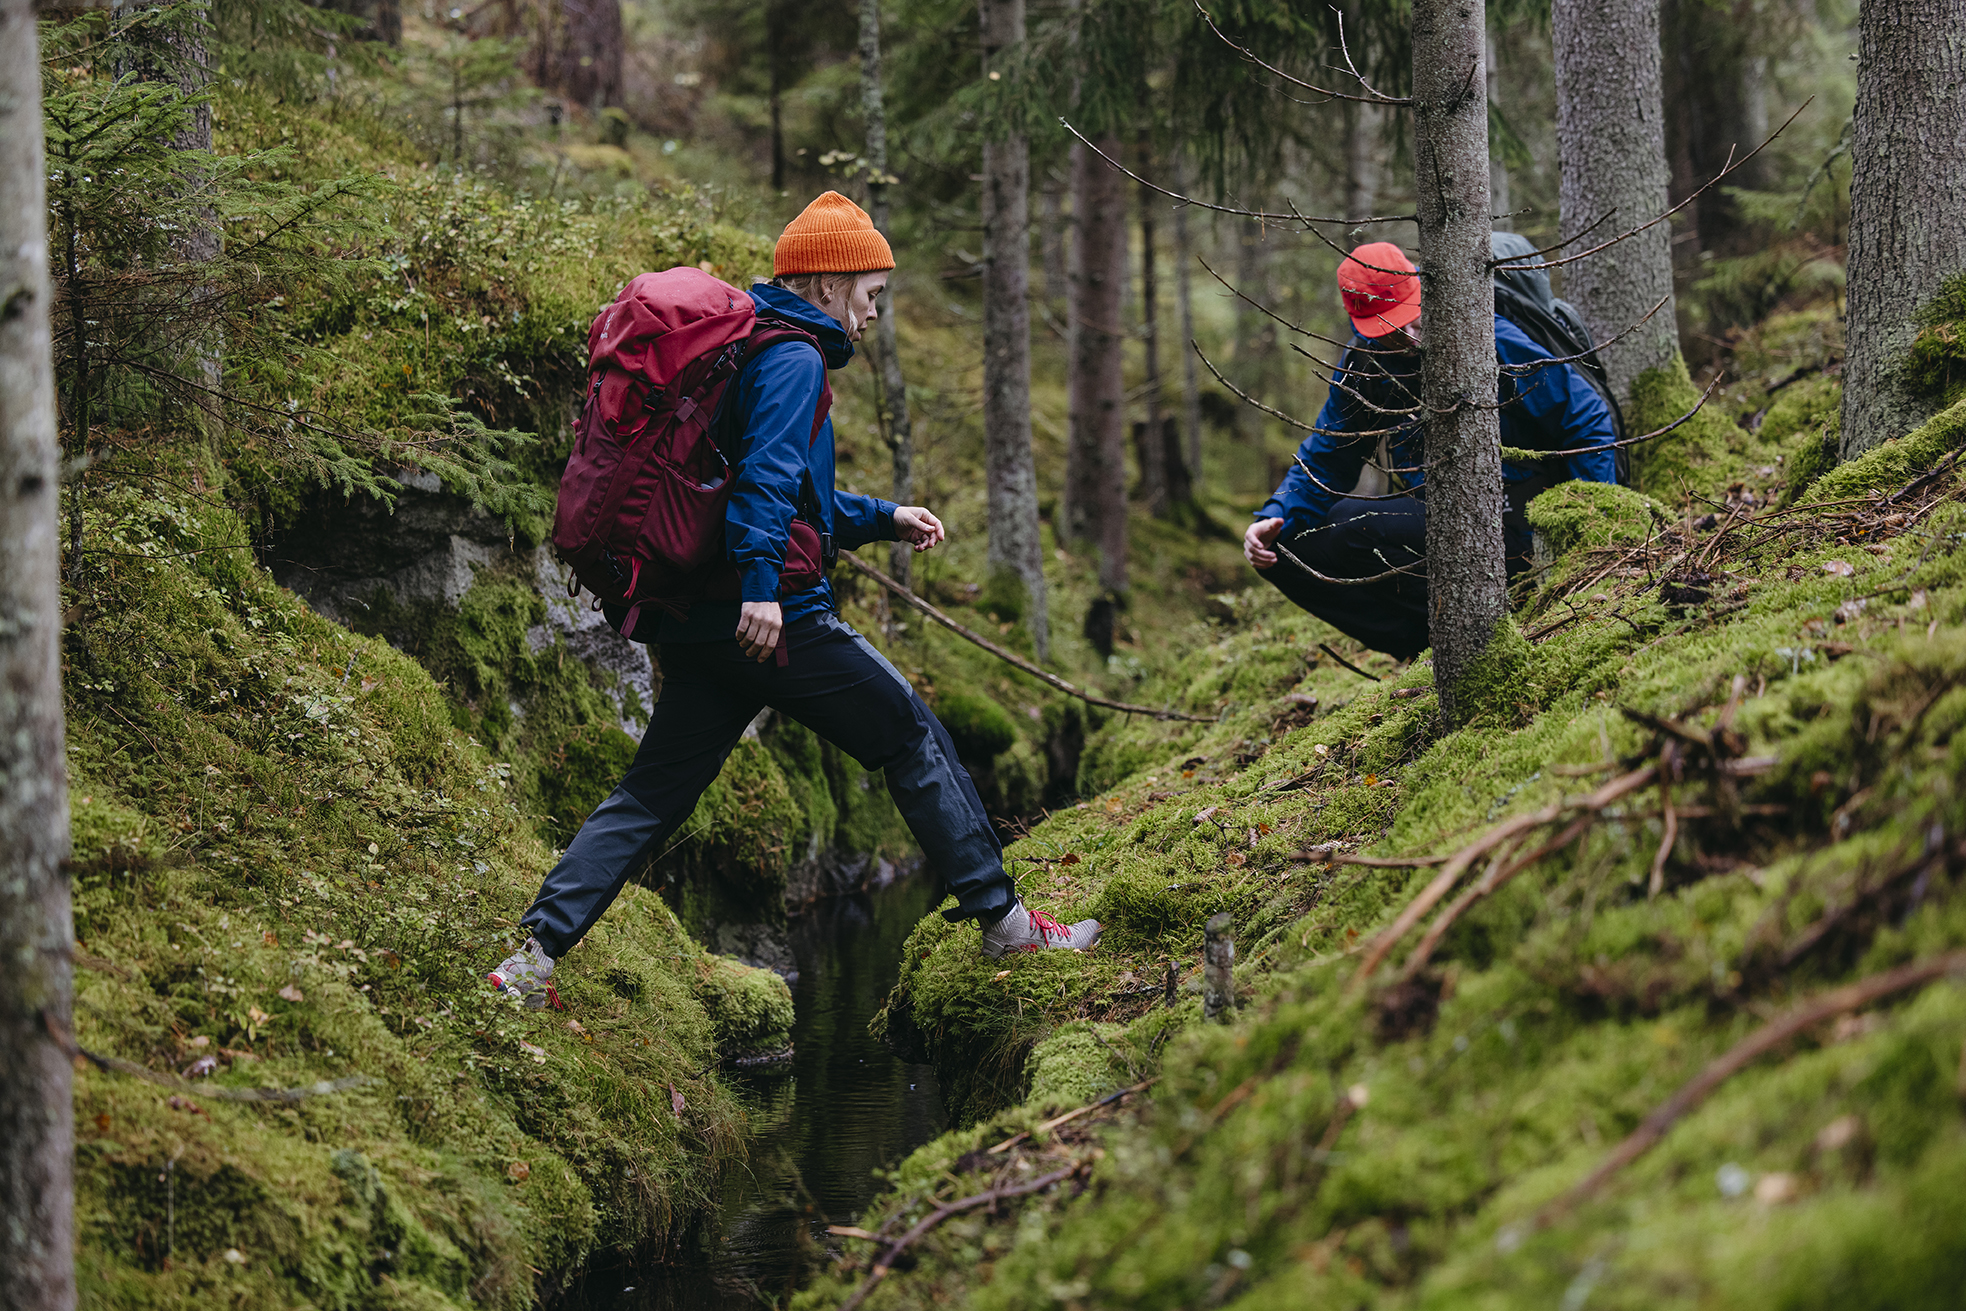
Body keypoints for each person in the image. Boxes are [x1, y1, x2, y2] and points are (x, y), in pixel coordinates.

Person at [490, 193, 1099, 1009]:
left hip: (699, 626)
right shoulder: (795, 358)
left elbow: (788, 496)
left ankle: (529, 959)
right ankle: (1007, 922)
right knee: (911, 734)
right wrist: (765, 589)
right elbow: (765, 487)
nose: (874, 313)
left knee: (648, 796)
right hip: (773, 619)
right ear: (828, 284)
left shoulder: (746, 348)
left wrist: (884, 517)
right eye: (871, 294)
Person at [1242, 240, 1618, 660]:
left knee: (1359, 523)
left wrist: (1590, 525)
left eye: (1410, 318)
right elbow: (1328, 455)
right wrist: (1276, 513)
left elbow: (1584, 416)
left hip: (1522, 526)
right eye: (1388, 329)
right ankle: (1427, 647)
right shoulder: (1366, 363)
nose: (1406, 336)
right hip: (1444, 519)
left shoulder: (1482, 333)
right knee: (1285, 550)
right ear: (1359, 321)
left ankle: (1495, 617)